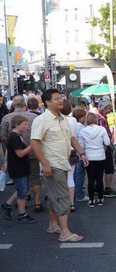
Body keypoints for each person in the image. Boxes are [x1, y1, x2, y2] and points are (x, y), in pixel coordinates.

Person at [30, 89, 89, 242]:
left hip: (63, 163)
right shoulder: (41, 120)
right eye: (56, 99)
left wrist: (82, 153)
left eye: (61, 98)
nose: (60, 101)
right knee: (62, 197)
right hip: (53, 164)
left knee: (53, 197)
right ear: (47, 102)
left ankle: (53, 225)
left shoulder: (63, 119)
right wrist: (45, 164)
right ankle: (64, 232)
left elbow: (71, 138)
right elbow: (34, 142)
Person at [0, 95, 43, 212]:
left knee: (20, 180)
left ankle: (22, 197)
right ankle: (37, 202)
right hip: (33, 152)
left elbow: (3, 137)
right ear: (25, 105)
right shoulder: (34, 117)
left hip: (15, 155)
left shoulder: (7, 118)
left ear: (13, 105)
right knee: (35, 177)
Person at [1, 115, 37, 223]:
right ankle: (22, 214)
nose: (27, 126)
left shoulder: (16, 136)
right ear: (17, 125)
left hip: (20, 167)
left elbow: (9, 151)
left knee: (23, 189)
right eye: (24, 124)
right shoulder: (15, 137)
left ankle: (6, 205)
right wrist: (32, 146)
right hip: (18, 168)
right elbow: (20, 154)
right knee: (22, 192)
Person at [79, 113, 110, 208]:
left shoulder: (83, 131)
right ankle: (100, 198)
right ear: (96, 120)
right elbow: (107, 142)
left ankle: (91, 200)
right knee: (99, 178)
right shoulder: (102, 129)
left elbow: (81, 146)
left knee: (91, 179)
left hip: (89, 157)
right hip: (100, 156)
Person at [97, 99, 116, 198]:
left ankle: (98, 187)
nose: (110, 110)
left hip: (97, 147)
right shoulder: (102, 119)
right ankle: (107, 188)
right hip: (104, 147)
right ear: (105, 108)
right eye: (109, 108)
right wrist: (112, 147)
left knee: (99, 169)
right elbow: (104, 136)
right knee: (109, 169)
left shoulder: (97, 117)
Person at [60, 99, 78, 212]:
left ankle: (62, 202)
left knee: (60, 179)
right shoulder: (74, 120)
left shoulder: (58, 120)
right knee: (70, 177)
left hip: (60, 151)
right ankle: (71, 203)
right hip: (72, 150)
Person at [72, 108, 89, 203]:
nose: (85, 118)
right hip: (80, 152)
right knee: (80, 174)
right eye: (84, 117)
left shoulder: (73, 125)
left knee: (75, 174)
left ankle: (74, 192)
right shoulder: (81, 127)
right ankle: (79, 194)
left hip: (74, 152)